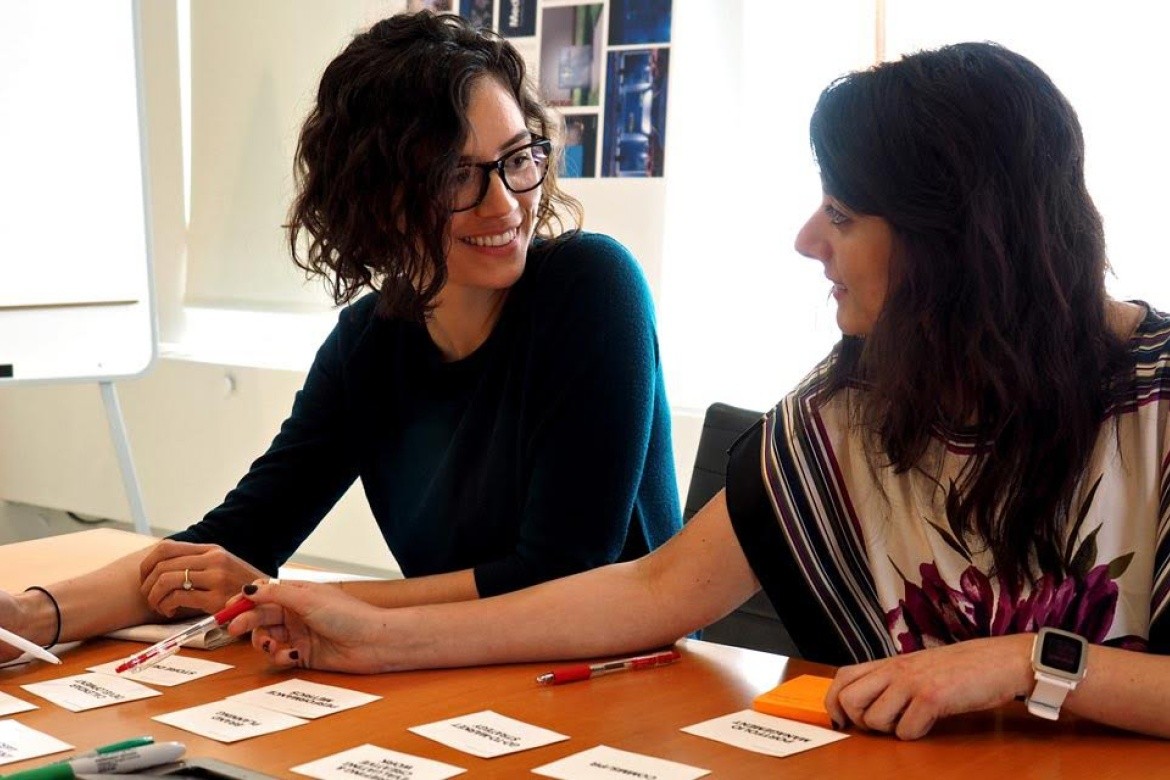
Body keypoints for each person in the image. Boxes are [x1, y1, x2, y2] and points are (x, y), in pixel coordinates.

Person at [228, 42, 1170, 741]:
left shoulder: (1157, 402)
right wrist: (371, 635)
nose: (808, 241)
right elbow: (649, 590)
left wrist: (1025, 662)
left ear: (959, 242)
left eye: (840, 214)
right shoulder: (846, 413)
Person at [0, 12, 679, 655]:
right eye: (455, 176)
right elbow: (229, 546)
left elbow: (561, 572)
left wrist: (293, 598)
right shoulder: (368, 345)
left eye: (516, 157)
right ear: (377, 199)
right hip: (457, 677)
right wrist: (32, 617)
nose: (504, 202)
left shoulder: (594, 287)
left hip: (625, 684)